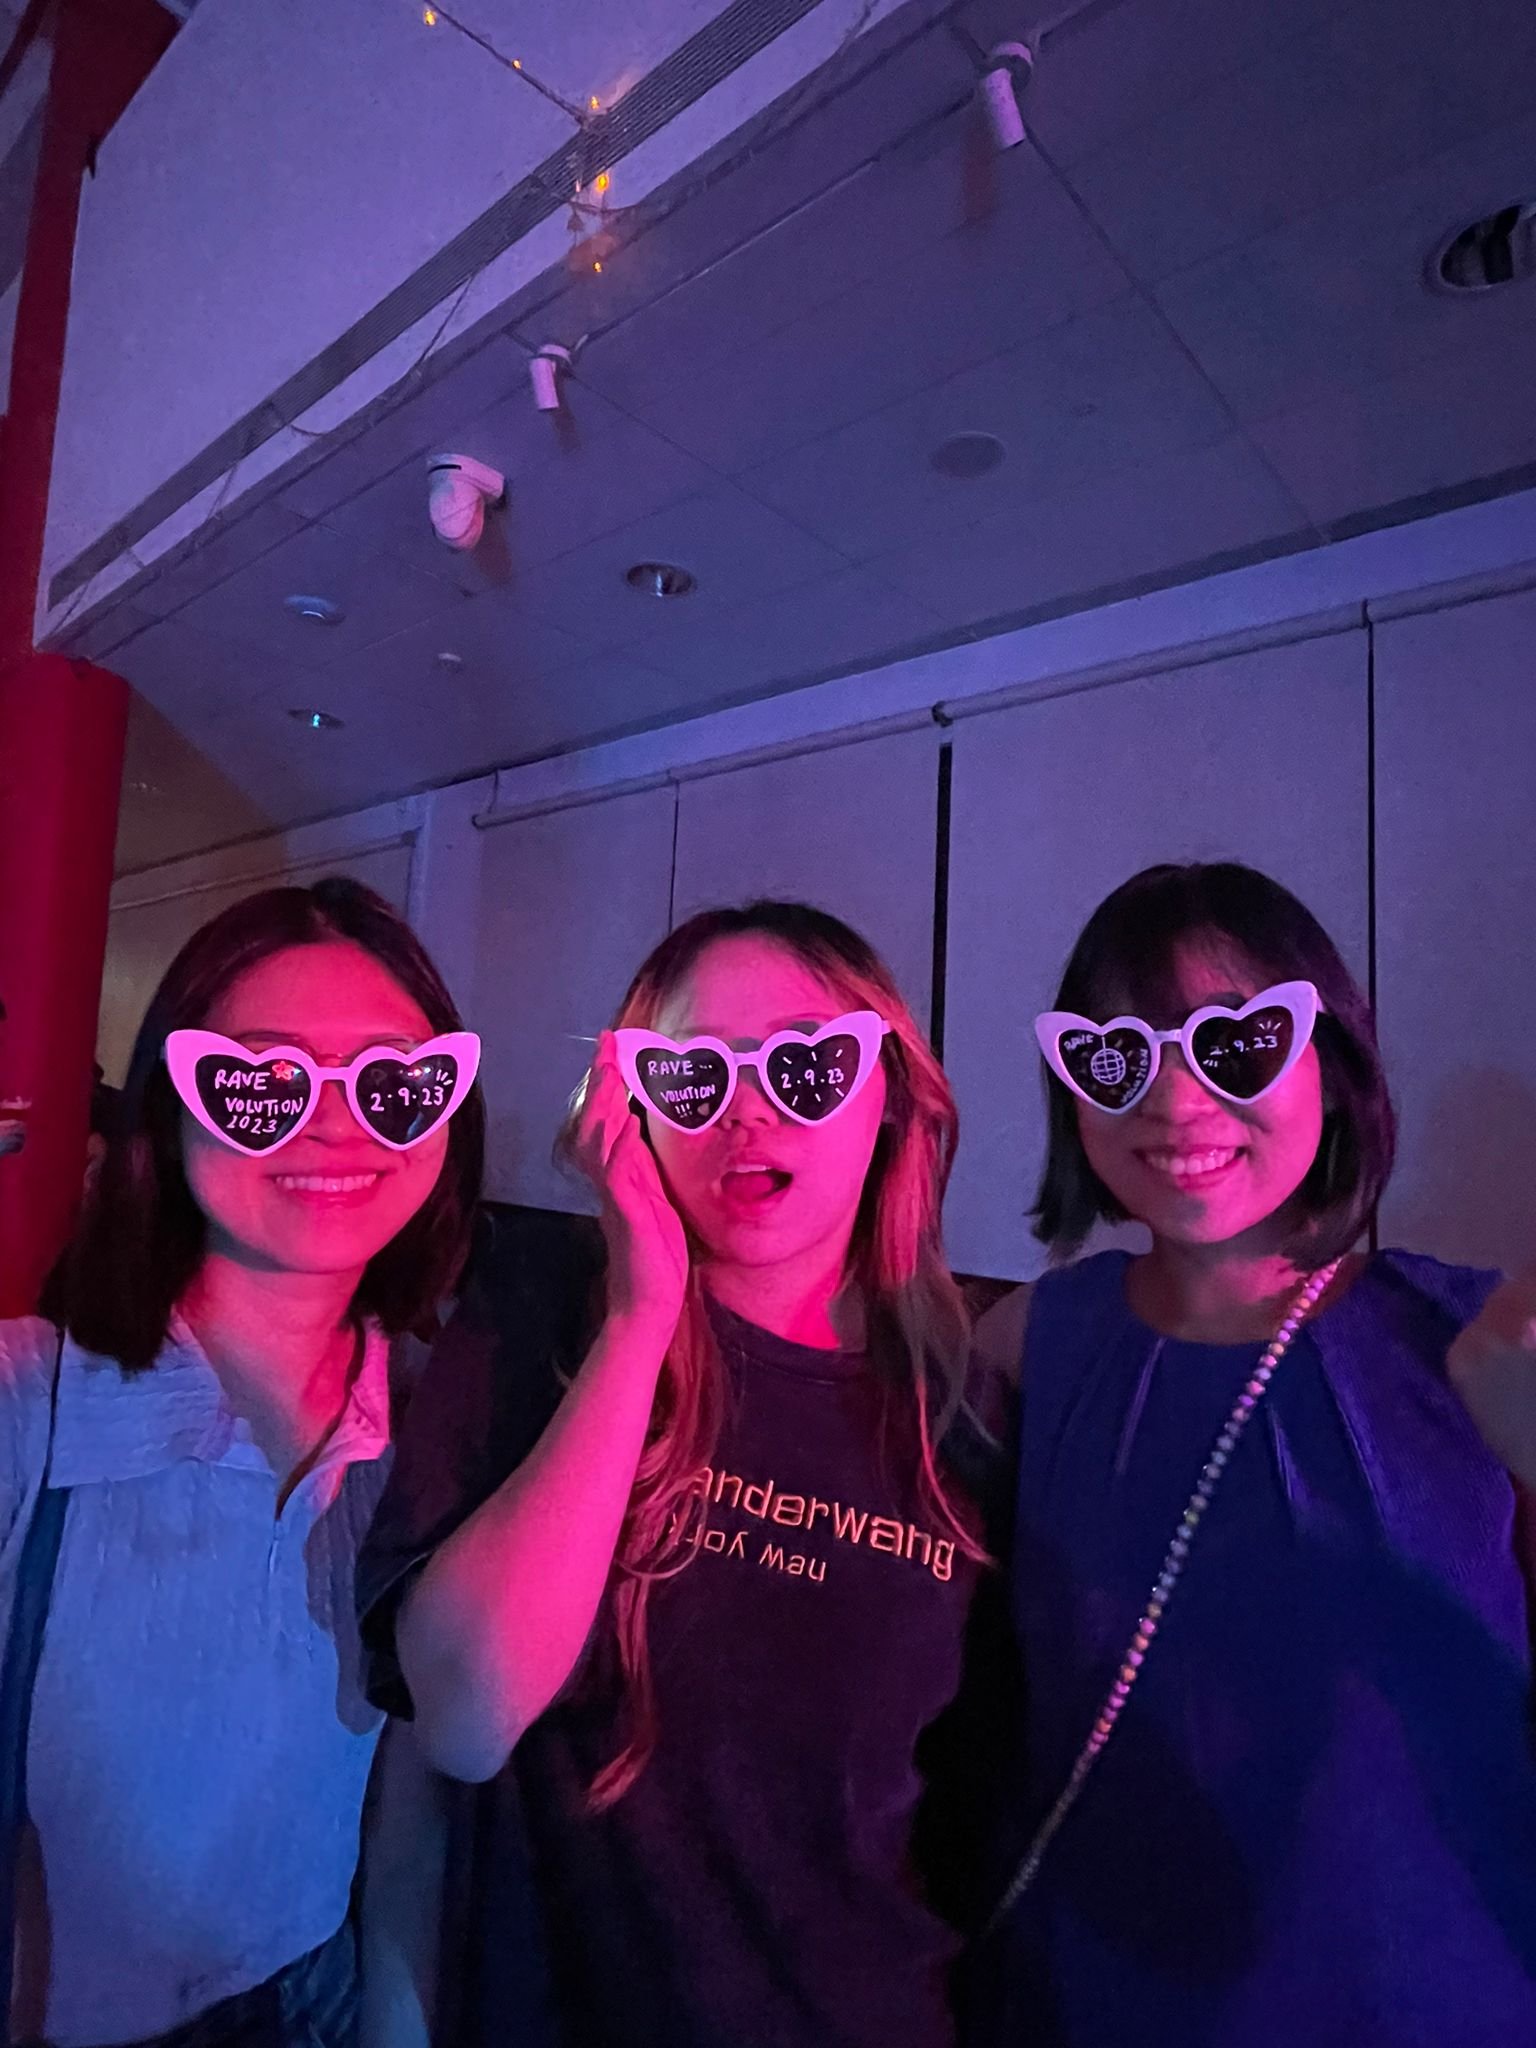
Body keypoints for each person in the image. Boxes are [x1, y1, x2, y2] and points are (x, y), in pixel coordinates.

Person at [358, 901, 1014, 2048]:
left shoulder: (960, 1418)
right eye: (694, 1074)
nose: (748, 1109)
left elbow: (968, 1816)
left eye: (805, 1065)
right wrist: (640, 1318)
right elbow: (461, 1716)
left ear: (887, 1096)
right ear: (630, 1105)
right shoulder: (540, 1313)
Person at [973, 860, 1536, 2047]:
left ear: (1330, 1062)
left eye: (1236, 1044)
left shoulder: (1474, 1343)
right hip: (1092, 2010)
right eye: (1119, 1056)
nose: (1176, 1102)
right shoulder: (1027, 1345)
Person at [0, 877, 483, 2048]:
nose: (334, 1122)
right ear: (170, 1109)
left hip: (312, 2003)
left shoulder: (439, 1435)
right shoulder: (26, 1401)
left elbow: (410, 1818)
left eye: (392, 1082)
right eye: (261, 1080)